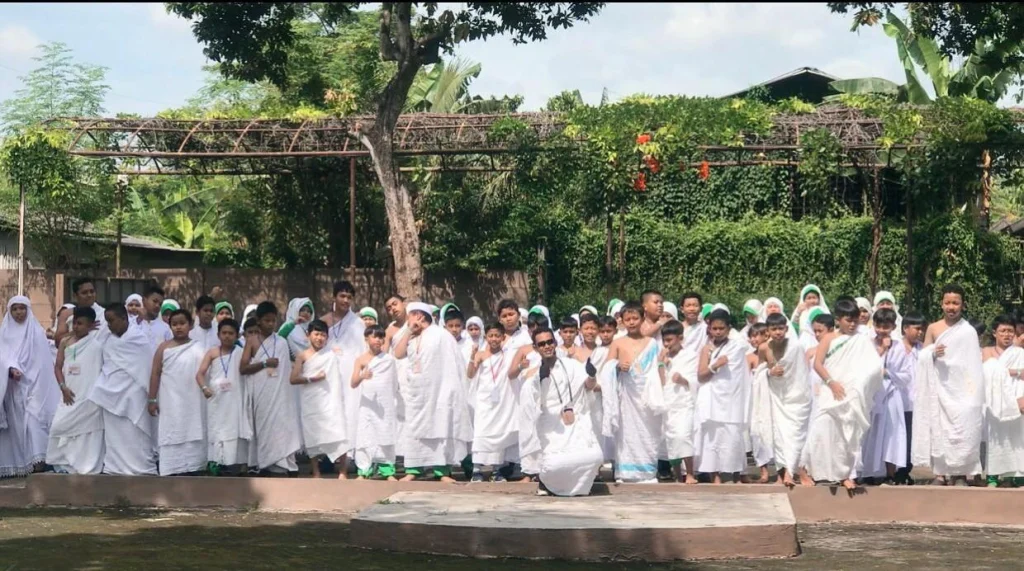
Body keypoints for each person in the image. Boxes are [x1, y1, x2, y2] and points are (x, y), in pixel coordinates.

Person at [802, 297, 883, 491]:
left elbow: (874, 366)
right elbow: (818, 364)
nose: (853, 324)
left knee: (848, 436)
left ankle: (845, 474)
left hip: (851, 395)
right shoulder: (830, 338)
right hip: (831, 393)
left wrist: (859, 384)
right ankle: (804, 468)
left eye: (855, 320)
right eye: (848, 320)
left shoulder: (861, 340)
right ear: (838, 319)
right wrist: (832, 383)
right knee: (821, 430)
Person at [914, 284, 985, 486]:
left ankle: (961, 474)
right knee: (940, 429)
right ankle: (940, 474)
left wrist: (973, 394)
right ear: (941, 304)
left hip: (963, 392)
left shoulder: (968, 331)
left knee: (964, 429)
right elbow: (923, 355)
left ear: (962, 305)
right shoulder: (933, 328)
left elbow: (973, 365)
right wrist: (932, 353)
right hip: (940, 389)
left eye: (956, 303)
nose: (951, 307)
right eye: (948, 302)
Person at [519, 327, 604, 497]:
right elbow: (531, 404)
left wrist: (592, 376)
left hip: (575, 420)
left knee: (595, 457)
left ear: (555, 343)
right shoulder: (534, 375)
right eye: (542, 344)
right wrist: (539, 380)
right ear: (536, 348)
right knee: (554, 465)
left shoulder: (572, 365)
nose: (547, 346)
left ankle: (579, 487)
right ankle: (548, 484)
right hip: (552, 427)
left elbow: (588, 388)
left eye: (550, 342)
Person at [393, 302, 472, 482]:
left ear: (420, 316)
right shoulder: (411, 336)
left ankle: (441, 472)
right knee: (414, 430)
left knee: (439, 428)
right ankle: (414, 469)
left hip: (439, 393)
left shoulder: (441, 335)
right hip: (416, 394)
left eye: (411, 316)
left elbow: (453, 366)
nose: (408, 320)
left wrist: (449, 391)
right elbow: (397, 354)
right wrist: (409, 330)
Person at [87, 303, 157, 476]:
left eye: (111, 321)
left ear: (124, 318)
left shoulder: (139, 339)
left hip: (135, 395)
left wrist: (151, 397)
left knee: (136, 432)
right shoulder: (107, 339)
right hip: (110, 395)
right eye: (107, 322)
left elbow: (147, 368)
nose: (109, 326)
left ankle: (142, 468)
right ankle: (115, 468)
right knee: (115, 435)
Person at [599, 301, 665, 483]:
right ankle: (626, 472)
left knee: (648, 433)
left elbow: (658, 368)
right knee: (627, 432)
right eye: (628, 319)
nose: (632, 322)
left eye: (635, 318)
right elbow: (606, 368)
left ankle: (647, 472)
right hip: (627, 395)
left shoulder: (652, 343)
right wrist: (617, 366)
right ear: (622, 321)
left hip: (647, 394)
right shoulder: (618, 343)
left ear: (643, 318)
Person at [0, 296, 62, 477]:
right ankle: (20, 464)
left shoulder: (36, 332)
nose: (19, 313)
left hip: (35, 387)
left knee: (33, 423)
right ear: (9, 312)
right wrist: (11, 368)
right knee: (17, 427)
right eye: (15, 309)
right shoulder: (4, 333)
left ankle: (37, 462)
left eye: (22, 308)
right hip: (12, 388)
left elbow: (42, 361)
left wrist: (31, 378)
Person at [240, 301, 301, 476]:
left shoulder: (281, 342)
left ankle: (284, 464)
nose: (270, 324)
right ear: (258, 321)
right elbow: (243, 368)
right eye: (266, 320)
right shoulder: (251, 341)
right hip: (261, 394)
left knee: (282, 426)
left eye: (273, 321)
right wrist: (265, 363)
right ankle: (266, 463)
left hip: (280, 395)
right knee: (265, 427)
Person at [693, 309, 750, 485]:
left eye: (721, 328)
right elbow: (701, 376)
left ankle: (734, 475)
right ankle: (715, 476)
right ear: (709, 329)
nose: (718, 331)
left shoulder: (738, 346)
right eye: (714, 328)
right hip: (711, 399)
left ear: (728, 328)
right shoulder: (706, 349)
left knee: (732, 437)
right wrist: (715, 365)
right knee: (713, 439)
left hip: (732, 399)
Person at [148, 309, 208, 476]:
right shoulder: (163, 348)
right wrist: (152, 399)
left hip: (194, 401)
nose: (179, 327)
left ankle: (195, 467)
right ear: (170, 326)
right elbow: (155, 372)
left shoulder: (199, 348)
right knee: (171, 431)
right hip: (170, 401)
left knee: (194, 429)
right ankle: (172, 469)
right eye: (175, 324)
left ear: (190, 325)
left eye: (182, 323)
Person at [47, 306, 105, 474]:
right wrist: (63, 388)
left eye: (81, 324)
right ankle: (63, 464)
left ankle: (85, 465)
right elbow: (58, 367)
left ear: (90, 326)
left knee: (87, 430)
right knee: (58, 426)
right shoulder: (65, 342)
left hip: (88, 396)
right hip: (68, 394)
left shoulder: (96, 344)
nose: (76, 327)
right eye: (75, 323)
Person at [756, 313, 812, 487]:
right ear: (768, 331)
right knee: (779, 436)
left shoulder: (796, 347)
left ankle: (796, 472)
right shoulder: (764, 348)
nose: (778, 332)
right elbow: (757, 373)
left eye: (781, 328)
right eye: (774, 329)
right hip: (775, 397)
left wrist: (800, 395)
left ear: (786, 329)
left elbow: (803, 373)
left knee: (795, 435)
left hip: (796, 398)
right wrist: (769, 372)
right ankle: (785, 473)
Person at [291, 319, 349, 479]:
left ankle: (342, 472)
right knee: (312, 436)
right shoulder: (302, 356)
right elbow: (293, 379)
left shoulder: (331, 354)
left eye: (323, 335)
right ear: (308, 335)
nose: (319, 338)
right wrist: (312, 379)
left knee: (338, 432)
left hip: (331, 401)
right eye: (316, 334)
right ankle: (316, 472)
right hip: (311, 401)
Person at [195, 318, 251, 476]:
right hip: (216, 398)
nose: (227, 336)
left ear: (236, 335)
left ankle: (235, 464)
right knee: (217, 430)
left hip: (235, 398)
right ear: (218, 334)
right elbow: (199, 374)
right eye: (224, 333)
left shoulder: (241, 352)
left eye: (231, 333)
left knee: (234, 428)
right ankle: (217, 463)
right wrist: (204, 388)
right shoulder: (212, 352)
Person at [859, 308, 906, 485]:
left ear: (893, 327)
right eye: (878, 326)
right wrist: (882, 349)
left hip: (891, 394)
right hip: (872, 393)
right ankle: (868, 471)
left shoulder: (900, 346)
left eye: (886, 327)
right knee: (870, 432)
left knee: (891, 434)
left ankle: (890, 473)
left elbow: (906, 374)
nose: (881, 330)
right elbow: (865, 365)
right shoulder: (867, 343)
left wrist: (888, 372)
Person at [467, 322, 519, 482]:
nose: (494, 339)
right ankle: (477, 469)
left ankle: (496, 470)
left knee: (499, 432)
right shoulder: (481, 354)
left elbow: (512, 374)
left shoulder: (509, 355)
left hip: (502, 400)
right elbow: (470, 374)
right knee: (481, 432)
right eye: (491, 336)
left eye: (497, 336)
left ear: (503, 337)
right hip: (484, 400)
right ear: (486, 337)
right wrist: (472, 356)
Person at [321, 281, 366, 467]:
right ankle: (328, 456)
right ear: (334, 297)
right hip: (328, 375)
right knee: (329, 413)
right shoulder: (324, 321)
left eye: (349, 297)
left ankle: (347, 457)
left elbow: (363, 350)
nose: (345, 300)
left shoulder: (358, 323)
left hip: (350, 375)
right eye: (342, 296)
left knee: (349, 412)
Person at [350, 325, 399, 480]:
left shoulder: (389, 360)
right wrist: (363, 376)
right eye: (374, 336)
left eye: (380, 337)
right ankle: (364, 470)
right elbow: (353, 383)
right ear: (366, 339)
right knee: (365, 435)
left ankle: (387, 471)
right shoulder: (361, 359)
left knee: (385, 434)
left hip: (384, 405)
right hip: (367, 404)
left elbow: (394, 383)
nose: (378, 340)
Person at [982, 314, 1024, 487]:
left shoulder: (1020, 353)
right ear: (994, 333)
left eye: (1010, 331)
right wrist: (1015, 371)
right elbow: (984, 373)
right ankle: (993, 475)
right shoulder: (987, 352)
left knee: (1017, 438)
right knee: (995, 439)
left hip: (1017, 398)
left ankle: (1016, 475)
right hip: (994, 401)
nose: (1006, 335)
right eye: (1003, 331)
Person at [658, 319, 698, 484]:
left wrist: (682, 379)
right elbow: (660, 382)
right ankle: (677, 474)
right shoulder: (662, 356)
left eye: (670, 340)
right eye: (664, 340)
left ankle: (689, 473)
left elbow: (695, 380)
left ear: (680, 338)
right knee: (671, 439)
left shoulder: (690, 355)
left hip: (684, 403)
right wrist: (661, 363)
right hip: (668, 403)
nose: (667, 344)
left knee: (683, 436)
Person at [891, 312, 924, 485]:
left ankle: (904, 471)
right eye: (917, 328)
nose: (920, 332)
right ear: (905, 328)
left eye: (921, 329)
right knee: (896, 437)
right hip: (898, 400)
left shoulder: (922, 350)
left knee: (911, 439)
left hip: (915, 403)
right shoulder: (895, 347)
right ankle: (893, 470)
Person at [747, 322, 773, 483]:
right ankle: (763, 471)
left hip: (772, 398)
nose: (754, 339)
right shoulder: (749, 357)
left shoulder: (773, 354)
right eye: (751, 336)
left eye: (757, 335)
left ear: (766, 336)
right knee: (757, 432)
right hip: (755, 398)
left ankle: (782, 470)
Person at [55, 278, 107, 345]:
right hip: (73, 354)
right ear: (75, 296)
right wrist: (81, 330)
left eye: (92, 291)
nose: (89, 295)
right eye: (84, 293)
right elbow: (58, 342)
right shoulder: (66, 314)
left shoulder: (104, 314)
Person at [791, 285, 829, 350]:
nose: (812, 301)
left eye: (814, 298)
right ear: (804, 300)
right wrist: (798, 313)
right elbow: (793, 331)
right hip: (803, 345)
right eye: (809, 298)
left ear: (819, 299)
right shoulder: (801, 313)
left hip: (819, 344)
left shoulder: (822, 311)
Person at [139, 285, 173, 351]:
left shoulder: (165, 328)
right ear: (144, 300)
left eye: (160, 304)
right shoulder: (132, 324)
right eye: (154, 301)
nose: (157, 306)